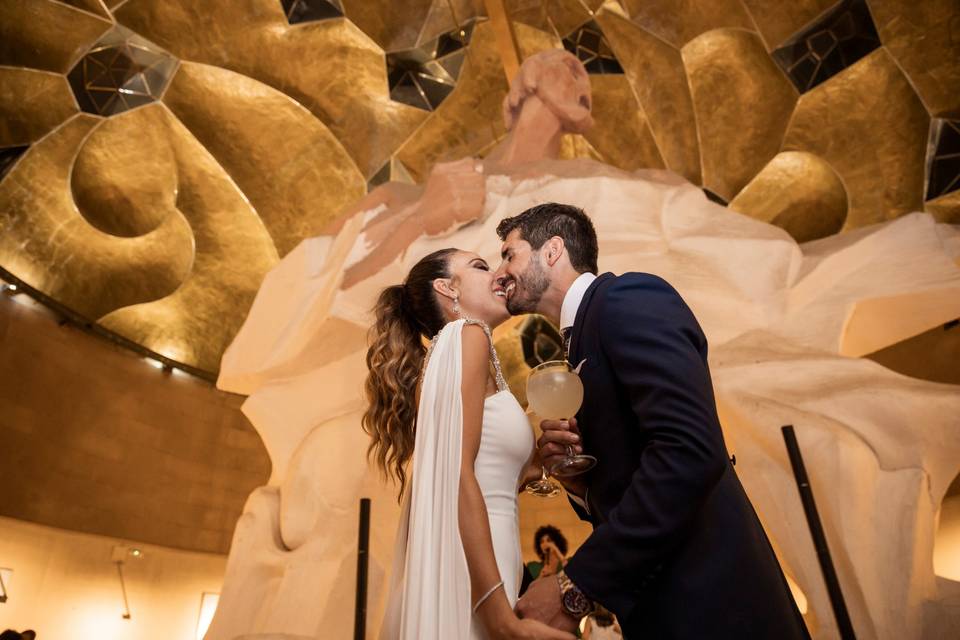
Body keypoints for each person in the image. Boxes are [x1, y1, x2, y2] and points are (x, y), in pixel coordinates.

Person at [496, 203, 811, 639]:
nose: (501, 272)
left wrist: (575, 586)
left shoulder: (628, 298)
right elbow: (636, 469)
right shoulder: (580, 339)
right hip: (664, 608)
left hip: (715, 604)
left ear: (552, 250)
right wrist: (582, 487)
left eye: (509, 254)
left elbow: (690, 452)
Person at [364, 248, 573, 639]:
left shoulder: (460, 351)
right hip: (476, 577)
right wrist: (502, 620)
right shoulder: (467, 335)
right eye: (479, 266)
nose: (497, 273)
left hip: (482, 560)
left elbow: (488, 475)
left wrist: (539, 462)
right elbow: (458, 475)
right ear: (447, 288)